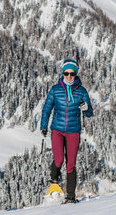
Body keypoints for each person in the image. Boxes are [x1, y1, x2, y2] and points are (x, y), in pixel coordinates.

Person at [40, 58, 93, 203]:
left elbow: (89, 113)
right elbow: (46, 109)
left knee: (71, 164)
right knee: (59, 159)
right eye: (66, 73)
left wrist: (86, 107)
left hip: (73, 131)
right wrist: (43, 126)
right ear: (62, 73)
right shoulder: (55, 90)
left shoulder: (81, 91)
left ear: (76, 74)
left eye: (72, 74)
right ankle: (54, 179)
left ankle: (70, 196)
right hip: (57, 129)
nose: (69, 76)